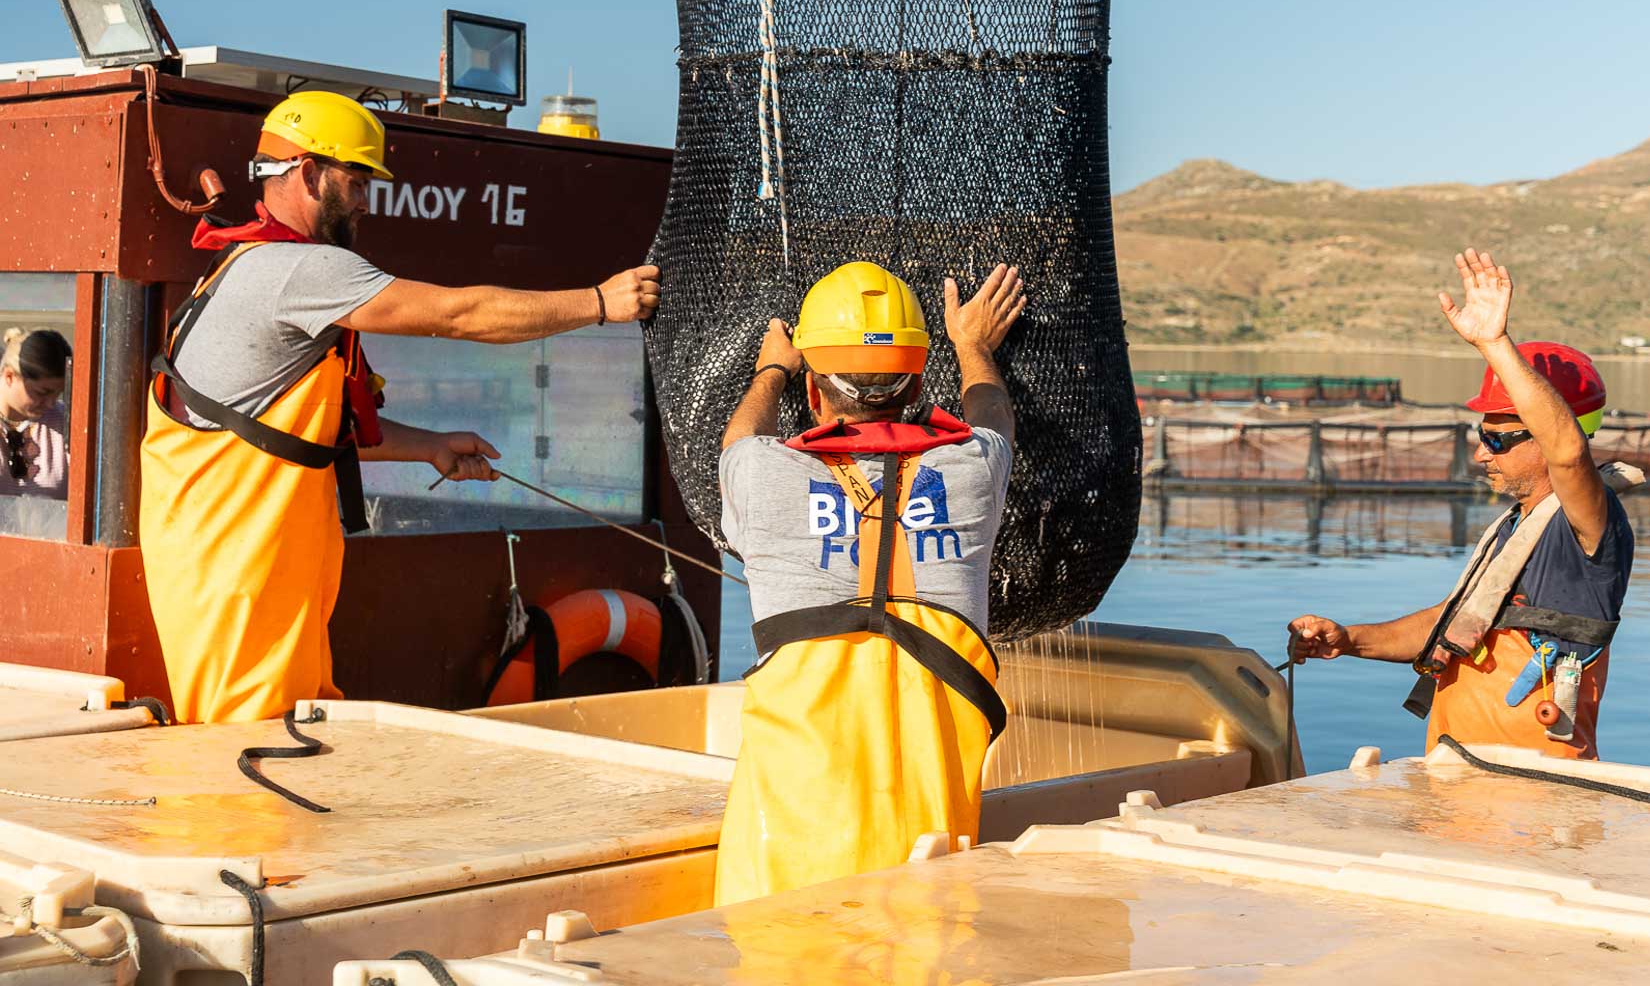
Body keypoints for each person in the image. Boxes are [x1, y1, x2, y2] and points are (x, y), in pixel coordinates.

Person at [140, 90, 661, 724]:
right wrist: (599, 303)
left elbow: (289, 432)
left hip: (245, 559)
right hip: (238, 565)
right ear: (309, 172)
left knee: (276, 737)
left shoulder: (249, 265)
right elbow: (459, 314)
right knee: (244, 750)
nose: (365, 201)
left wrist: (430, 446)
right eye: (357, 180)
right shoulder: (298, 272)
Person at [712, 259, 1025, 904]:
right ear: (917, 387)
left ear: (811, 391)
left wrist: (772, 368)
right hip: (930, 864)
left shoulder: (761, 476)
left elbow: (739, 440)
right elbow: (995, 421)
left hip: (779, 874)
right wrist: (974, 346)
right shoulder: (970, 473)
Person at [1288, 248, 1635, 759]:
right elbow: (1453, 624)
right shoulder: (1517, 527)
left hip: (1533, 798)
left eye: (1496, 439)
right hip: (1461, 784)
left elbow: (1567, 450)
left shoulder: (1589, 525)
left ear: (1542, 436)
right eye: (1480, 435)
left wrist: (1493, 343)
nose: (1479, 452)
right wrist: (1348, 640)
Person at [0, 328, 72, 499]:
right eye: (42, 392)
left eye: (58, 394)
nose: (50, 403)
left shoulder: (64, 422)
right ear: (9, 376)